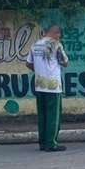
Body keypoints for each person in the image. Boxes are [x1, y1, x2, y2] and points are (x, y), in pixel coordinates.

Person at [26, 24, 69, 152]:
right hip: (53, 87)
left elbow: (28, 63)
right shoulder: (56, 44)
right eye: (59, 34)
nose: (59, 36)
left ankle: (43, 143)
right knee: (53, 116)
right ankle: (51, 144)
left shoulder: (35, 44)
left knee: (42, 115)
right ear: (56, 33)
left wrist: (39, 71)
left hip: (39, 85)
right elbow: (65, 62)